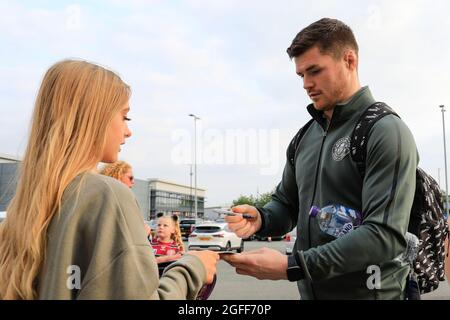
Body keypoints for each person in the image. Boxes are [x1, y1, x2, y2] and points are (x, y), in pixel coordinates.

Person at [223, 18, 418, 300]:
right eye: (301, 75)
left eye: (314, 71)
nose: (306, 84)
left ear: (349, 60)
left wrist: (294, 265)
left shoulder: (386, 131)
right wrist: (261, 219)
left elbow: (383, 236)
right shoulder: (304, 137)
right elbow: (287, 204)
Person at [0, 59, 219, 299]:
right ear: (94, 118)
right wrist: (192, 268)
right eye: (125, 117)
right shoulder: (107, 195)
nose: (128, 131)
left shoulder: (23, 212)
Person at [100, 161, 152, 238]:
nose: (133, 182)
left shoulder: (102, 196)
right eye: (130, 178)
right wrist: (142, 234)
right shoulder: (119, 201)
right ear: (117, 175)